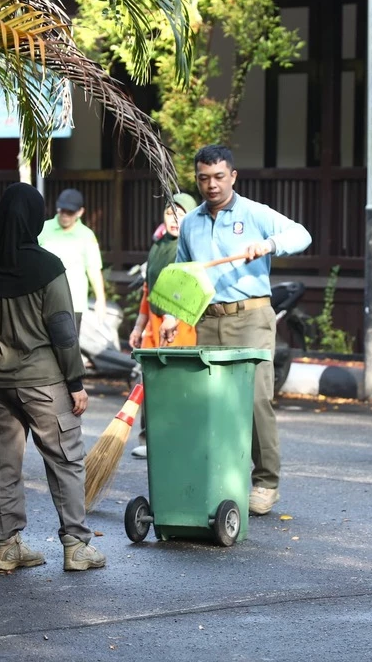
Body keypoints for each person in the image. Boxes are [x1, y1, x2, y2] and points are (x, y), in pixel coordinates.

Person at [160, 144, 312, 516]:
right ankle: (220, 479)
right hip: (208, 319)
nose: (211, 185)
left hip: (252, 317)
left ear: (233, 176)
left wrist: (268, 244)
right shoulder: (192, 222)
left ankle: (265, 483)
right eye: (203, 178)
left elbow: (301, 234)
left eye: (218, 177)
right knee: (211, 403)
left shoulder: (254, 213)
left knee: (255, 399)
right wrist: (171, 315)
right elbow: (185, 273)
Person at [0, 183, 105, 573]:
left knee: (3, 462)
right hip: (43, 382)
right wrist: (75, 383)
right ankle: (75, 546)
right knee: (65, 459)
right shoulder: (47, 267)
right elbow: (63, 330)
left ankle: (7, 548)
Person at [127, 192, 199, 459]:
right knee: (152, 380)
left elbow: (194, 286)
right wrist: (139, 325)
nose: (174, 219)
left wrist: (177, 315)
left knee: (177, 381)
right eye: (170, 213)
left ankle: (177, 436)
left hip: (181, 323)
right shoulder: (158, 244)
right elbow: (148, 289)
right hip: (156, 322)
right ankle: (151, 438)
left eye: (180, 213)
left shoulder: (191, 245)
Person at [37, 188, 105, 330]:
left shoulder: (86, 235)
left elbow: (93, 268)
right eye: (62, 210)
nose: (65, 215)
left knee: (69, 348)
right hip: (43, 301)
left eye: (70, 212)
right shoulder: (42, 229)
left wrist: (101, 299)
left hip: (74, 303)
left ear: (80, 212)